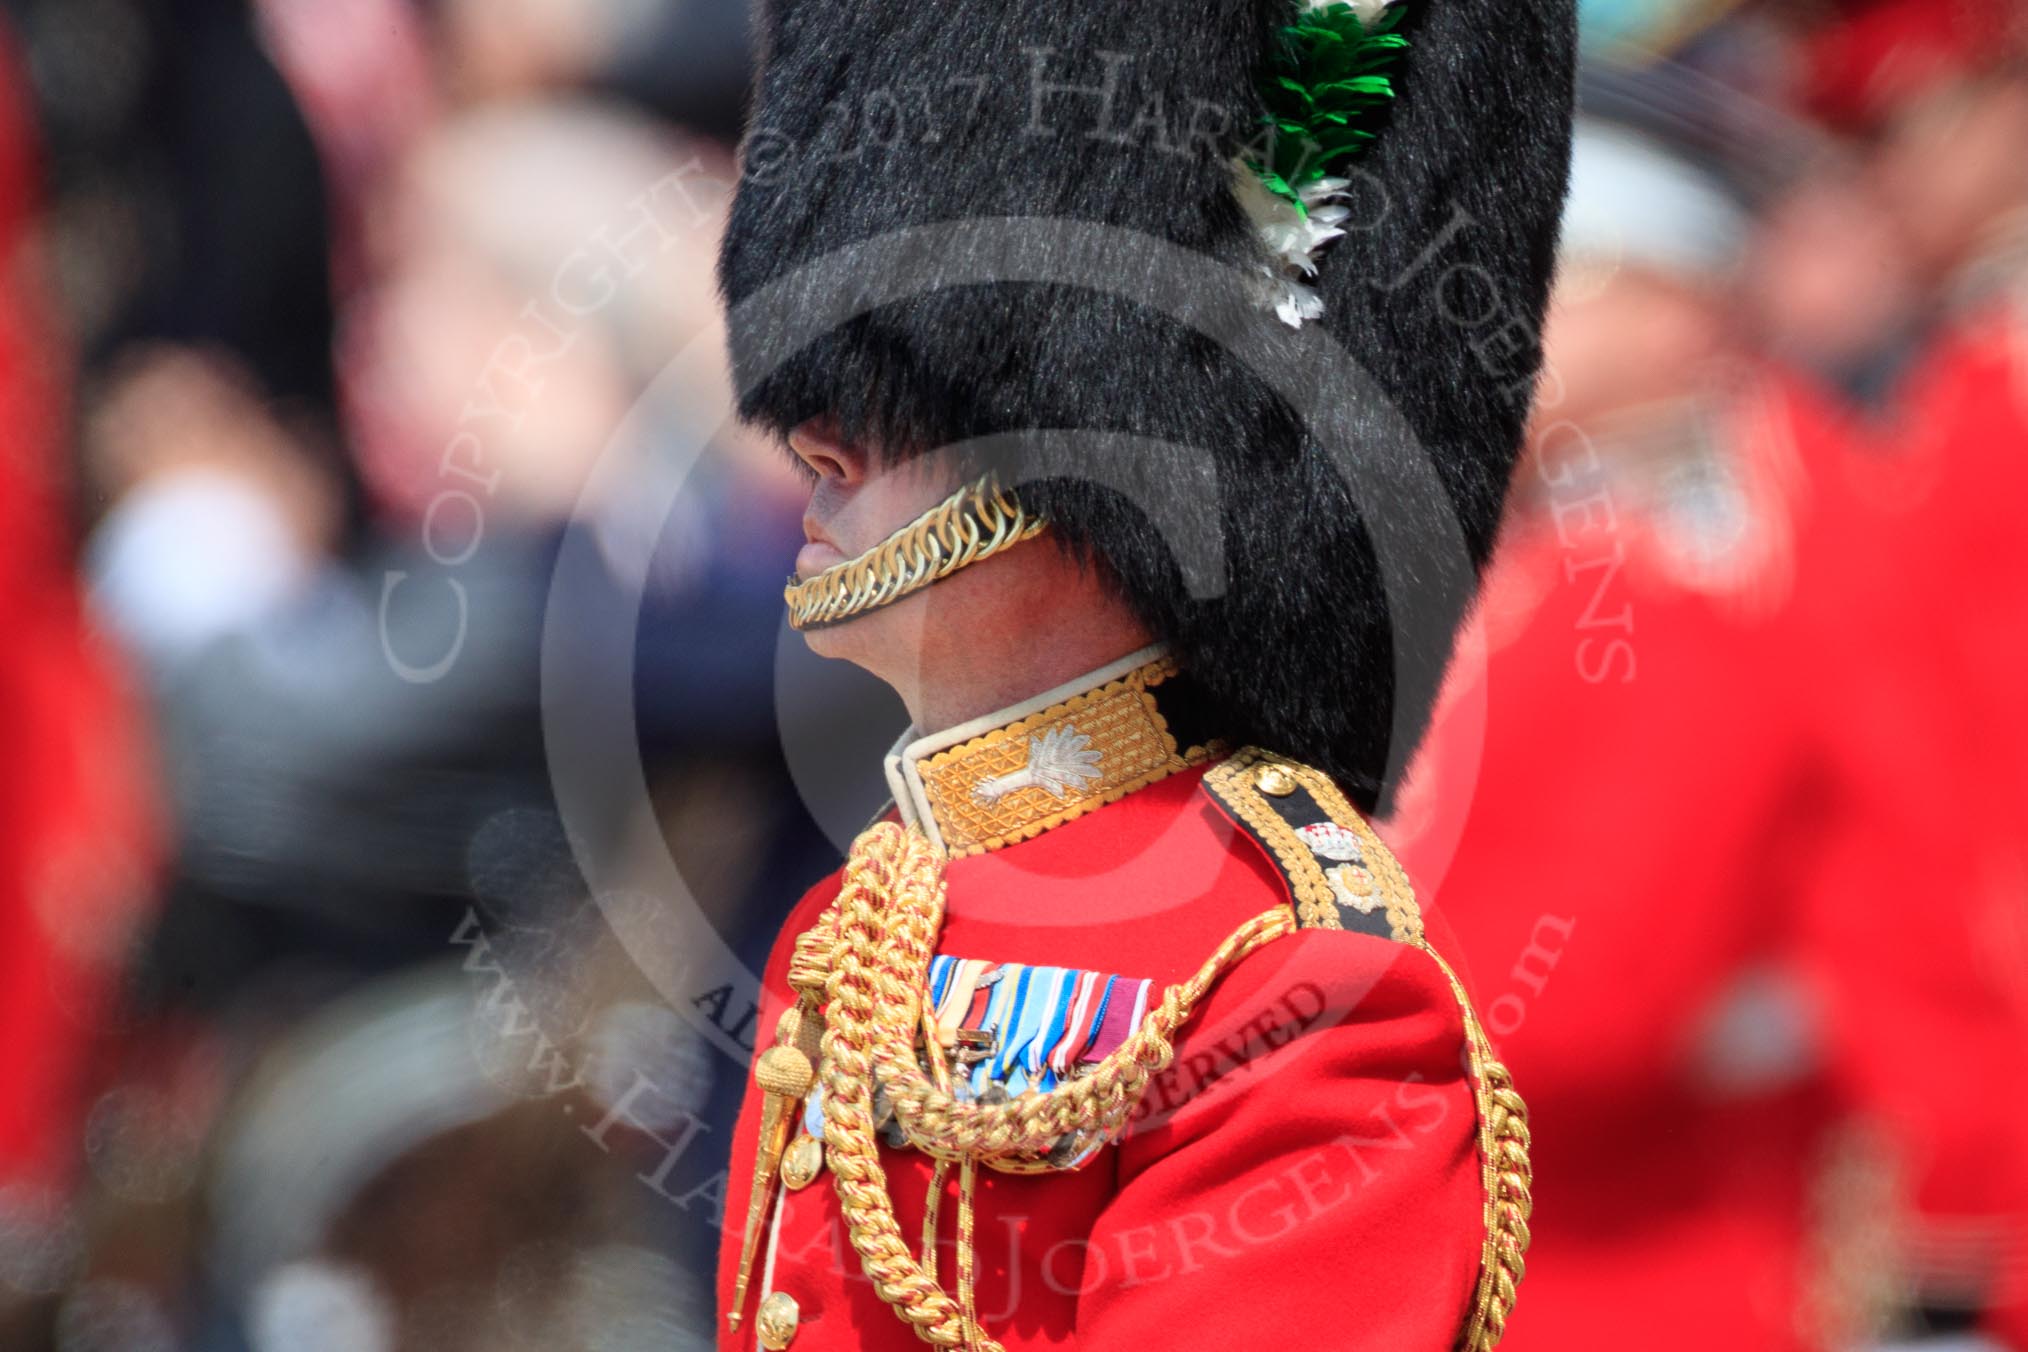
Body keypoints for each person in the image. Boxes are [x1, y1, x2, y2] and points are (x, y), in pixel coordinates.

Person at [706, 0, 1576, 1347]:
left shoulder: (1298, 988)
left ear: (1099, 458)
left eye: (907, 395)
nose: (815, 442)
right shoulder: (863, 921)